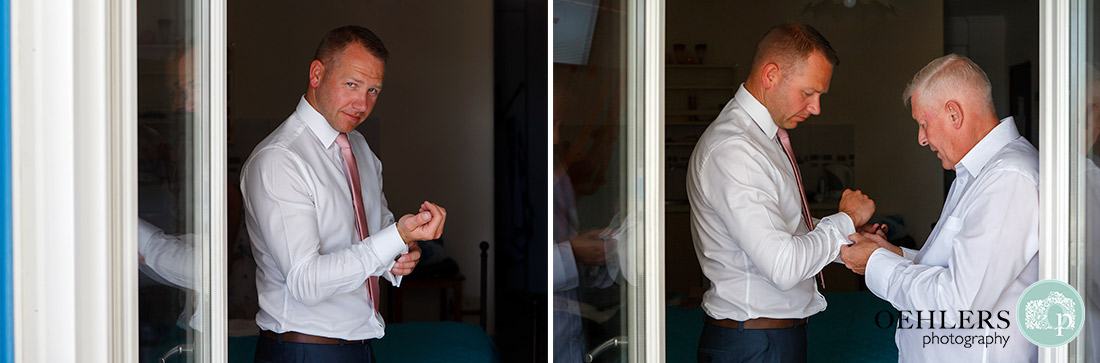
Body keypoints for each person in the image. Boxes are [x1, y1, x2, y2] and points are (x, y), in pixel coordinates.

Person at [241, 25, 447, 362]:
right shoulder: (280, 159)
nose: (362, 103)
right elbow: (306, 282)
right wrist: (394, 237)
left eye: (373, 91)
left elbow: (375, 237)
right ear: (317, 74)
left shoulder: (360, 149)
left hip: (360, 346)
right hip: (303, 350)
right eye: (352, 84)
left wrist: (399, 254)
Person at [687, 22, 876, 362]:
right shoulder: (736, 148)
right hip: (755, 345)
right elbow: (784, 266)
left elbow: (784, 227)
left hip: (768, 339)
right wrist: (845, 219)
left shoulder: (763, 138)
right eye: (808, 93)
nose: (816, 108)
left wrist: (847, 238)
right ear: (770, 75)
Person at [840, 54, 1038, 362]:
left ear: (954, 114)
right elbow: (958, 267)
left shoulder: (1008, 179)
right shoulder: (977, 172)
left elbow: (956, 303)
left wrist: (876, 262)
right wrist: (891, 253)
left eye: (923, 123)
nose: (921, 138)